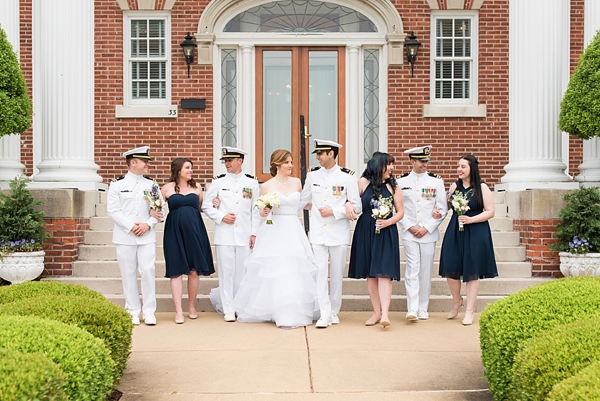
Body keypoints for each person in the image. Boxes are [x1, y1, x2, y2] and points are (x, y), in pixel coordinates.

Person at [232, 149, 320, 329]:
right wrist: (263, 212)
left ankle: (295, 310)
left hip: (293, 229)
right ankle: (277, 310)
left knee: (293, 268)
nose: (291, 166)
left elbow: (304, 203)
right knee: (277, 268)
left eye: (291, 162)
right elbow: (260, 210)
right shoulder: (266, 186)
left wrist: (325, 206)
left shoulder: (296, 182)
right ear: (277, 164)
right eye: (287, 162)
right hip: (274, 229)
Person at [299, 139, 361, 328]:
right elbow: (303, 200)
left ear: (331, 154)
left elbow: (357, 207)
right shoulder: (312, 176)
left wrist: (335, 211)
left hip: (338, 234)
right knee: (319, 273)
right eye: (317, 154)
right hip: (318, 233)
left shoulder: (347, 177)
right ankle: (324, 313)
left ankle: (334, 310)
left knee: (336, 275)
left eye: (320, 154)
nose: (317, 157)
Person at [438, 154, 498, 326]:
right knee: (450, 267)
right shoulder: (454, 186)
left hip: (476, 230)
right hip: (456, 229)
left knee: (472, 271)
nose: (459, 169)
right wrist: (438, 211)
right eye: (458, 166)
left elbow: (490, 211)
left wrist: (472, 219)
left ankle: (470, 310)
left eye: (463, 166)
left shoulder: (482, 187)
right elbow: (446, 206)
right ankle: (457, 301)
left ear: (472, 168)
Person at [202, 147, 260, 322]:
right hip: (225, 234)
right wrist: (221, 216)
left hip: (244, 234)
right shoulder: (218, 182)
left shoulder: (252, 183)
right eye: (225, 161)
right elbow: (206, 205)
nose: (227, 163)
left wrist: (254, 233)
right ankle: (228, 308)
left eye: (230, 160)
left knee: (242, 272)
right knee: (226, 272)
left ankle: (240, 306)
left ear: (240, 161)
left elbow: (255, 210)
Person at [348, 152, 404, 328]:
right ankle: (376, 312)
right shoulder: (362, 183)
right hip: (366, 230)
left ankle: (386, 314)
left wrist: (388, 221)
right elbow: (349, 201)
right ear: (378, 165)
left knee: (384, 273)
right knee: (371, 274)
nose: (392, 168)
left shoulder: (394, 186)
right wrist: (348, 204)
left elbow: (401, 212)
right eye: (389, 165)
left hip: (386, 231)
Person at [107, 146, 161, 326]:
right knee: (128, 273)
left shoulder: (152, 185)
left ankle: (149, 311)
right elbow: (113, 211)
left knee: (147, 271)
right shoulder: (117, 184)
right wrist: (132, 226)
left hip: (147, 236)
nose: (148, 164)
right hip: (125, 236)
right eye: (145, 161)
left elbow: (159, 211)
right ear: (133, 162)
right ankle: (132, 310)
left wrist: (147, 224)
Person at [161, 158, 215, 324]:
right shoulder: (166, 188)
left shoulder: (197, 186)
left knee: (193, 270)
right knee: (176, 270)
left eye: (191, 168)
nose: (191, 170)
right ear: (178, 170)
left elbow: (200, 208)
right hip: (174, 231)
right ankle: (178, 310)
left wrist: (216, 203)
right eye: (187, 168)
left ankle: (191, 306)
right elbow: (157, 207)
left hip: (194, 230)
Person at [397, 146, 448, 322]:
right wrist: (410, 226)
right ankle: (412, 308)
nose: (425, 164)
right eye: (421, 161)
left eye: (427, 161)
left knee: (425, 270)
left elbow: (442, 209)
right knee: (412, 269)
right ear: (412, 161)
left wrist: (427, 227)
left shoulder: (436, 181)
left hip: (428, 233)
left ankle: (422, 307)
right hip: (409, 232)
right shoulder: (401, 181)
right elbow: (398, 208)